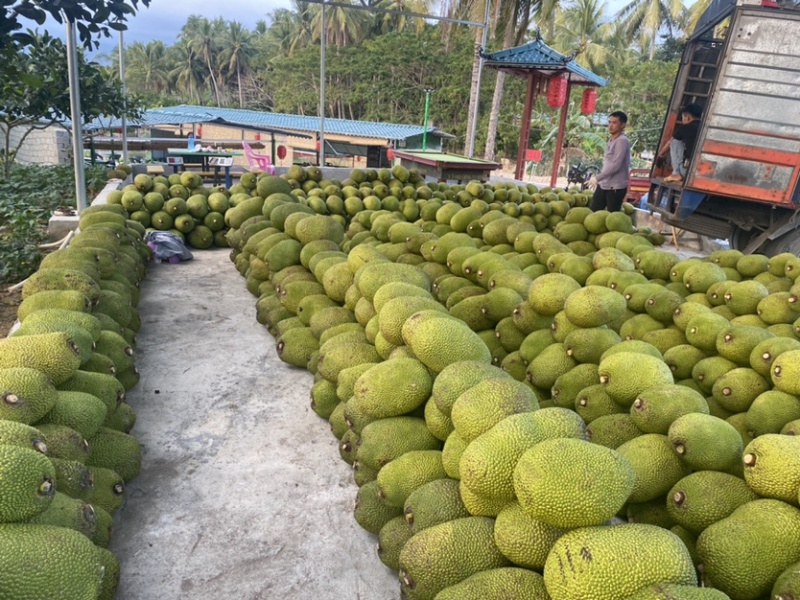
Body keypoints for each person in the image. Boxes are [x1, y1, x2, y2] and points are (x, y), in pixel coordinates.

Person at [590, 111, 632, 212]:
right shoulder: (612, 140)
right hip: (604, 184)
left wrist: (598, 177)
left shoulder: (622, 141)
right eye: (609, 122)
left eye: (614, 123)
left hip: (615, 188)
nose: (610, 125)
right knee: (593, 213)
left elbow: (616, 165)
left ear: (623, 125)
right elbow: (608, 163)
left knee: (612, 217)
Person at [658, 103, 703, 183]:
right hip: (702, 172)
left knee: (675, 142)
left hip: (687, 172)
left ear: (687, 117)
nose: (682, 120)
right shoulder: (705, 129)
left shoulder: (684, 128)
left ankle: (676, 173)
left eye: (682, 117)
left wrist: (661, 155)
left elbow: (670, 143)